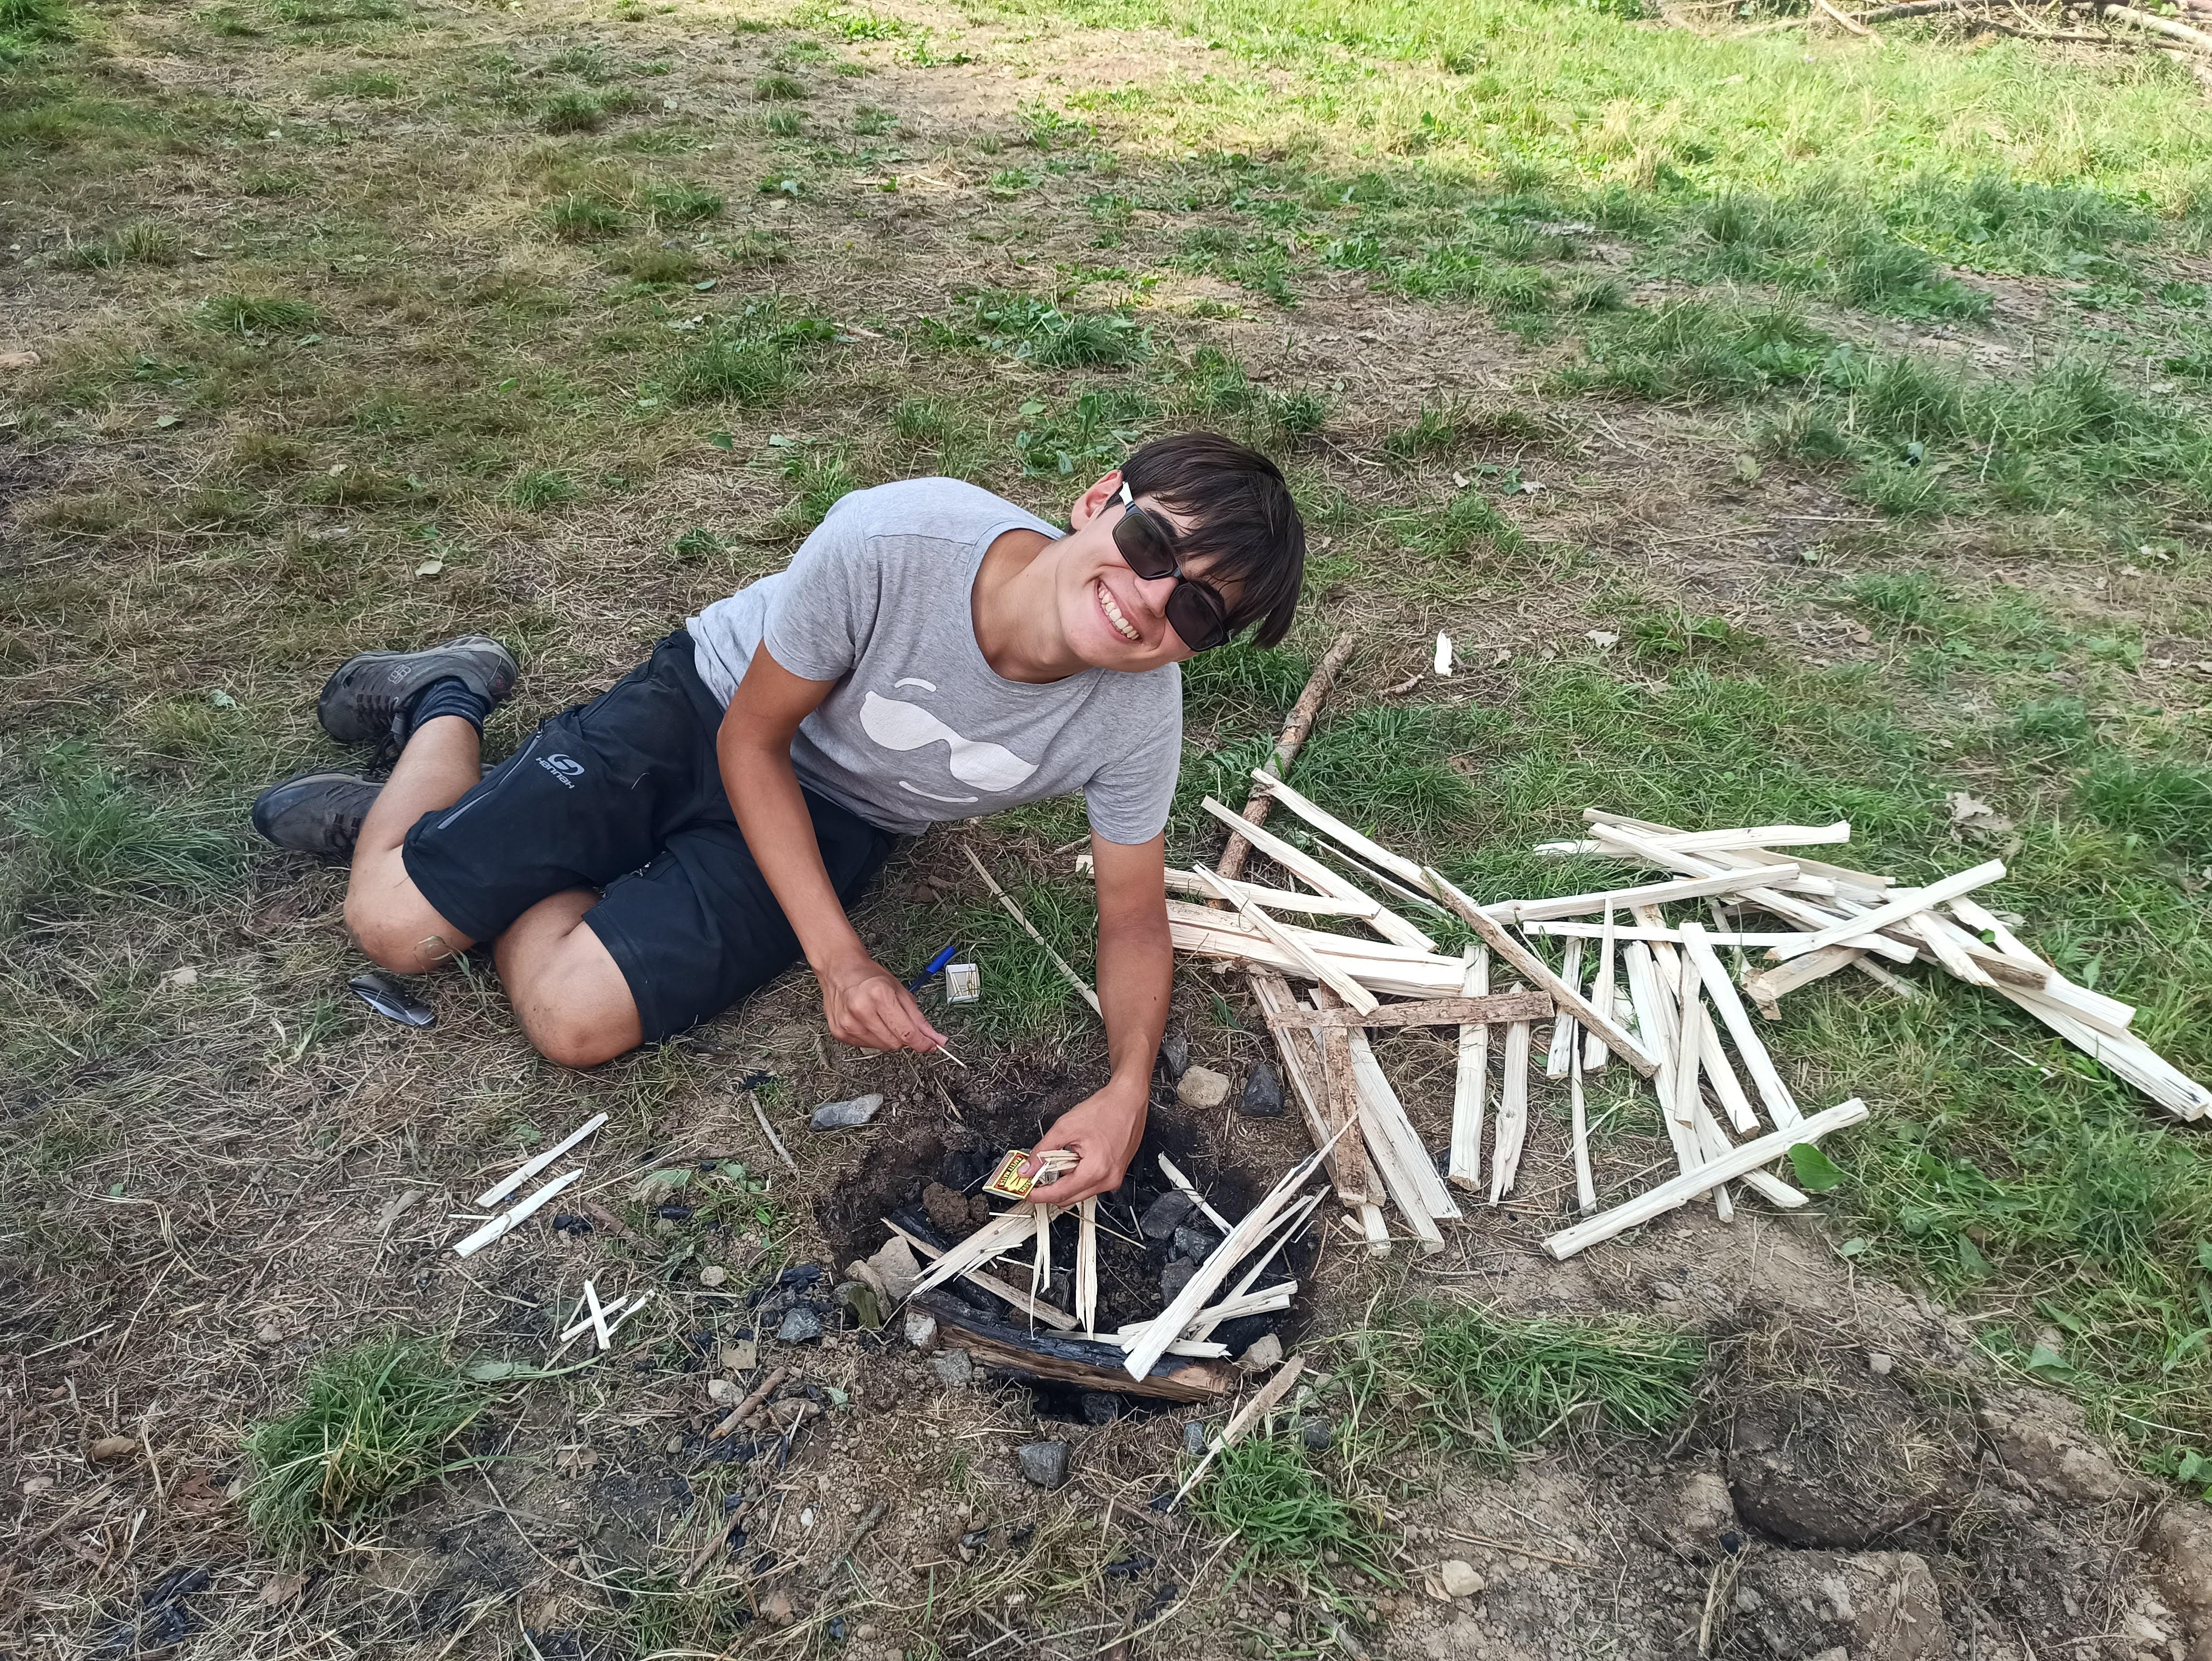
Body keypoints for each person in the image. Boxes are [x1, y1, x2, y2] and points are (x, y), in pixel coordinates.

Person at [252, 434, 1304, 1200]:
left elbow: (1131, 915)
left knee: (572, 1022)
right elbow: (751, 739)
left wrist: (1126, 1089)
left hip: (843, 812)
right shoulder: (899, 538)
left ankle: (498, 842)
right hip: (708, 705)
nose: (1151, 598)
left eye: (1196, 610)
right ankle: (447, 697)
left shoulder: (1134, 715)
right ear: (1098, 500)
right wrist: (840, 959)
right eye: (1153, 545)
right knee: (394, 927)